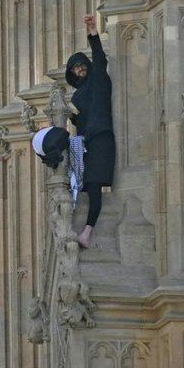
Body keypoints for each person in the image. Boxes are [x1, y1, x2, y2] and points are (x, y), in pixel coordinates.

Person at [66, 13, 115, 249]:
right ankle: (85, 231)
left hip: (102, 137)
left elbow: (99, 57)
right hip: (86, 142)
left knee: (94, 182)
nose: (80, 69)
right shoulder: (77, 96)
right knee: (88, 185)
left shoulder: (98, 78)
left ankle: (87, 231)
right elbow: (80, 121)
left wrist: (92, 32)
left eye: (82, 65)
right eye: (75, 68)